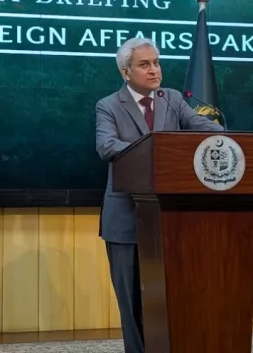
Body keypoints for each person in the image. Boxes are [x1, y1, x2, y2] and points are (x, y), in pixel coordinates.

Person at [95, 37, 223, 353]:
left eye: (156, 62)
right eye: (144, 64)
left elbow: (203, 127)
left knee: (169, 297)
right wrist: (155, 149)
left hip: (169, 218)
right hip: (125, 218)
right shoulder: (108, 105)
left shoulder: (173, 99)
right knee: (132, 300)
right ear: (126, 72)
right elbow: (107, 146)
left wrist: (223, 138)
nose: (154, 70)